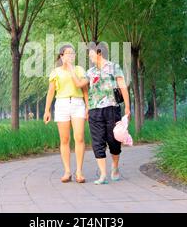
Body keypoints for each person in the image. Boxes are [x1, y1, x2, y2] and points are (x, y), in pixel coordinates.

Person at [70, 43, 130, 185]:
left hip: (112, 108)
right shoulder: (90, 72)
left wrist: (127, 107)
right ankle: (103, 175)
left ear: (99, 53)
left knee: (114, 141)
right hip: (95, 110)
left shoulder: (114, 67)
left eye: (91, 55)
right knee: (98, 142)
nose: (90, 58)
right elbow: (79, 84)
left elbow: (122, 87)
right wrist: (71, 69)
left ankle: (114, 167)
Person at [44, 45, 89, 183]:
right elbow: (51, 92)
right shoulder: (55, 72)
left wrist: (88, 106)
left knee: (79, 137)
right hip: (61, 104)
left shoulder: (79, 69)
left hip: (77, 103)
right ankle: (67, 171)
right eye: (67, 53)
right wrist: (47, 110)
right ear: (61, 56)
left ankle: (79, 172)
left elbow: (85, 89)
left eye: (72, 53)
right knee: (64, 139)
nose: (70, 55)